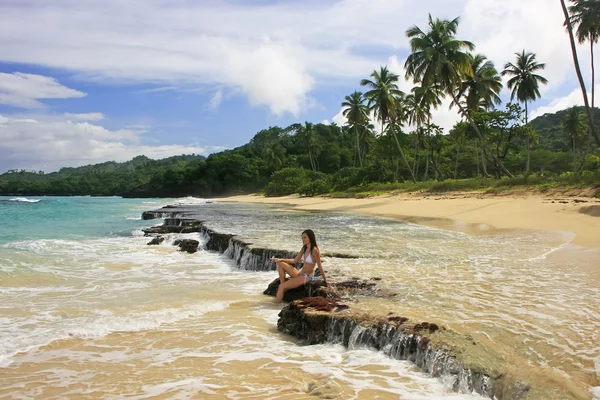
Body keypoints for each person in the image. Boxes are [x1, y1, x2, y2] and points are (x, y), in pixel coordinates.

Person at [270, 229, 328, 303]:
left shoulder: (315, 250)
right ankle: (284, 286)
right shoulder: (304, 248)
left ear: (310, 237)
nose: (303, 239)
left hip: (307, 277)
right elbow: (295, 260)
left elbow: (319, 266)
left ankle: (275, 305)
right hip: (300, 274)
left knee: (281, 287)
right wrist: (280, 260)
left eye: (305, 237)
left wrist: (325, 281)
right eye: (302, 238)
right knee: (281, 264)